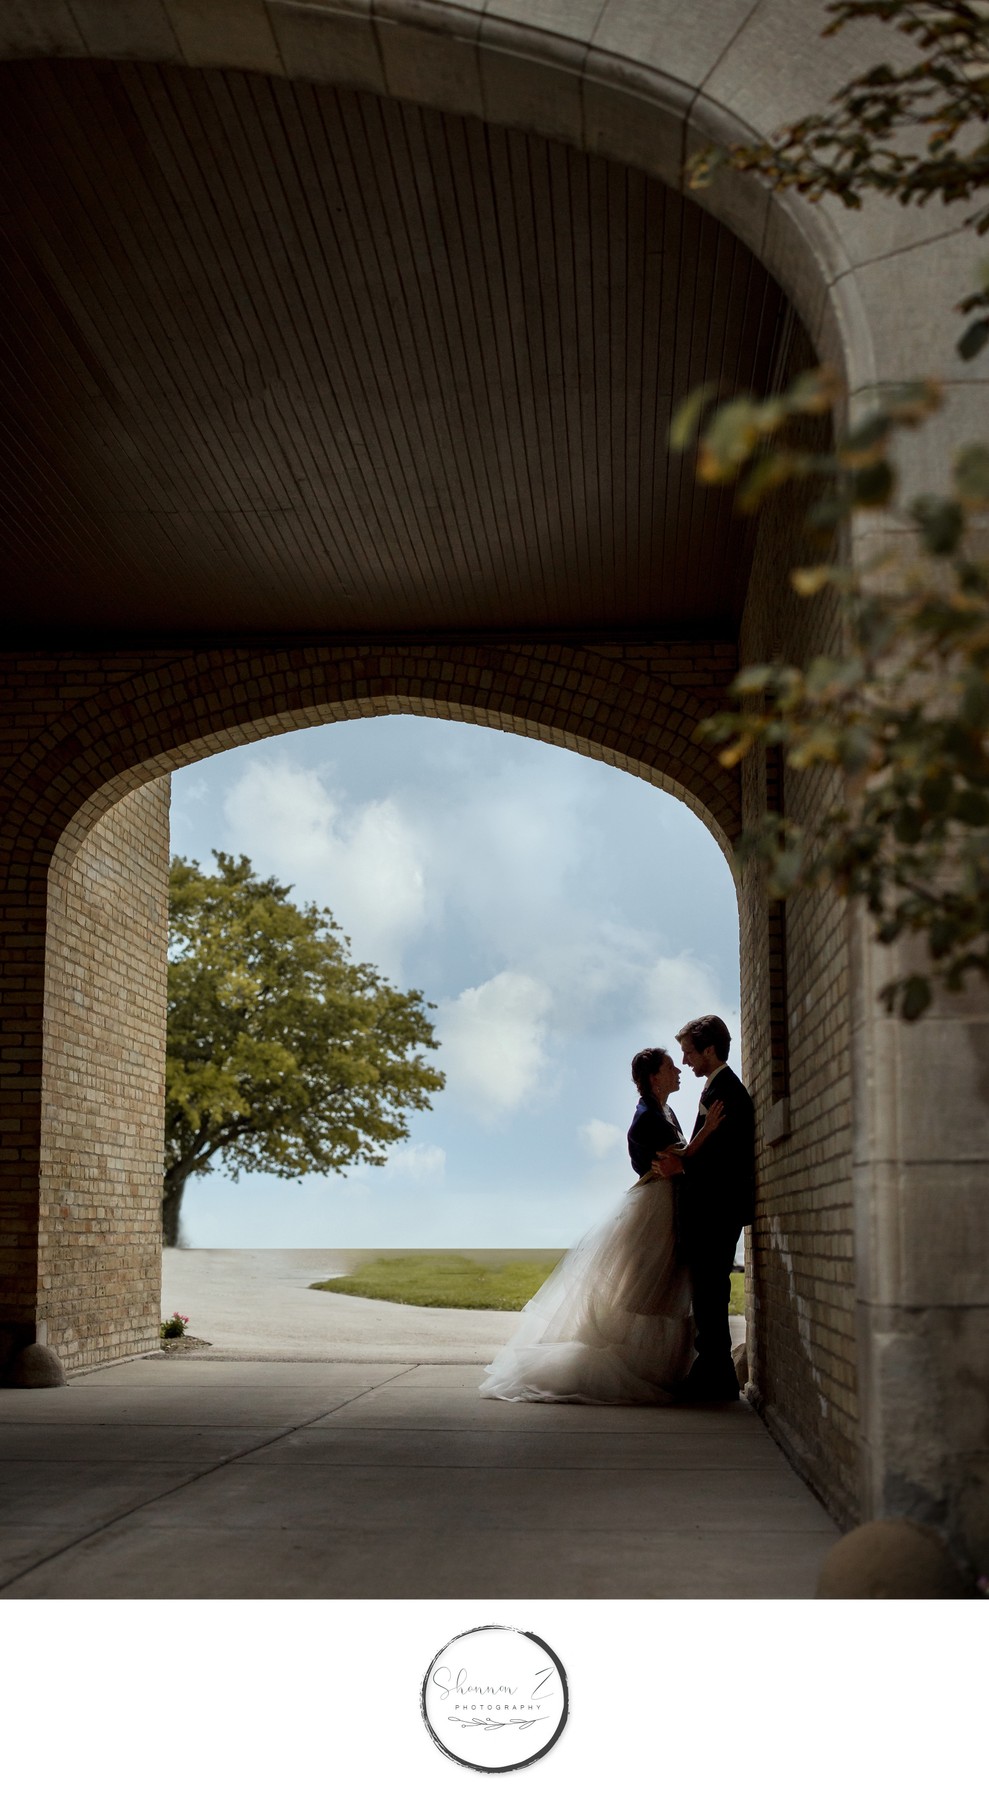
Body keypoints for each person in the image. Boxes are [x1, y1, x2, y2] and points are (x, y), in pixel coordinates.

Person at [479, 1047, 723, 1404]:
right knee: (645, 1290)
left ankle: (657, 1367)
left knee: (660, 1290)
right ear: (654, 1077)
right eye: (671, 1066)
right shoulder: (647, 1117)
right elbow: (679, 1159)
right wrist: (710, 1130)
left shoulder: (663, 1110)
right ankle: (634, 1367)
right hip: (653, 1210)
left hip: (665, 1205)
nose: (679, 1070)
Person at [671, 1014, 755, 1403]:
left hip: (716, 1211)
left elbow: (720, 1159)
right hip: (714, 1210)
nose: (685, 1061)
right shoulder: (717, 1088)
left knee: (710, 1293)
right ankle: (717, 1375)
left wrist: (684, 1163)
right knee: (709, 1294)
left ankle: (713, 1379)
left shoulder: (726, 1092)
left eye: (688, 1052)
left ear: (709, 1049)